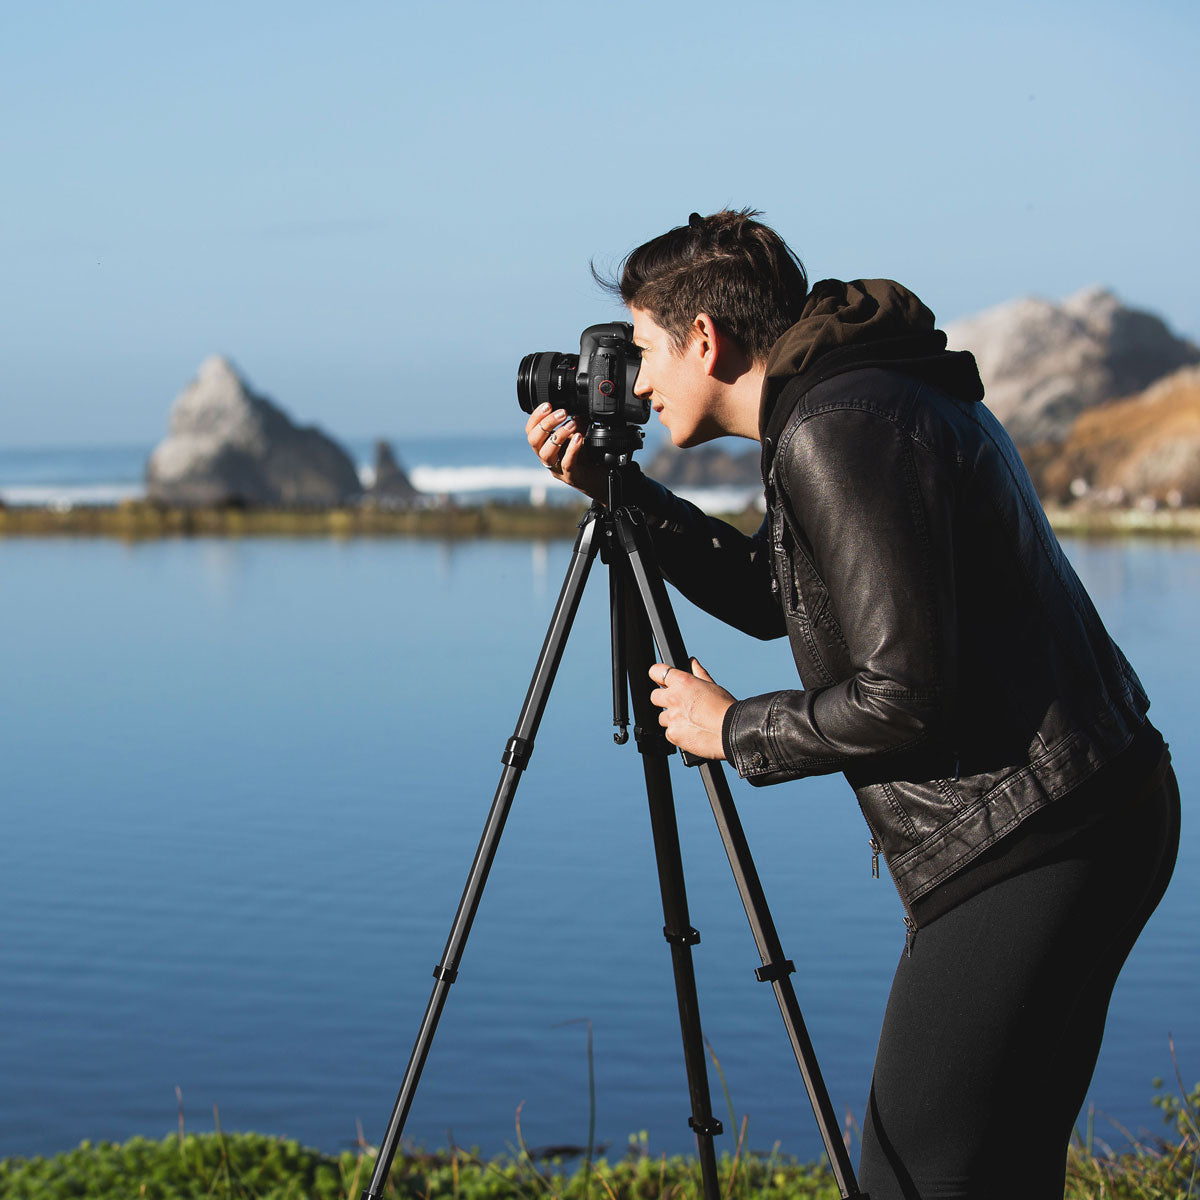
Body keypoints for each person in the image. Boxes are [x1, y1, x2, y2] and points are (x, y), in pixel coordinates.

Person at [523, 209, 1180, 1199]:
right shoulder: (849, 399)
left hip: (1029, 841)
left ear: (705, 338)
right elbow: (775, 595)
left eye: (646, 350)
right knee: (997, 1172)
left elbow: (903, 695)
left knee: (912, 1176)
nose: (638, 381)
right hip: (1088, 810)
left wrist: (732, 728)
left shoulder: (836, 426)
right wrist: (622, 495)